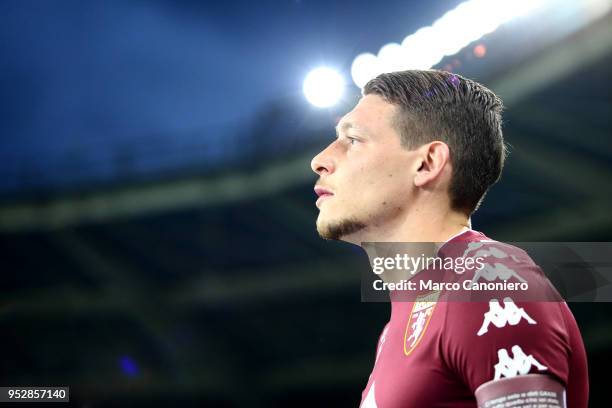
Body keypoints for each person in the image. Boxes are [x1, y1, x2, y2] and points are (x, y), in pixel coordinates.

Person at [310, 70, 588, 407]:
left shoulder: (488, 281)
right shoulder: (409, 315)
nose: (320, 160)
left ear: (427, 163)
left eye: (352, 140)